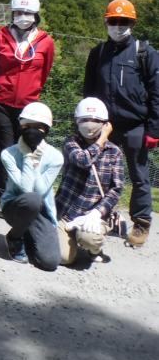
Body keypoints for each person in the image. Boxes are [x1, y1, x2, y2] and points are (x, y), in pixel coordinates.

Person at [83, 0, 158, 247]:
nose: (118, 26)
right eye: (113, 21)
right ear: (106, 23)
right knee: (101, 173)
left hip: (136, 125)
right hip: (106, 126)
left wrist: (154, 129)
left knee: (139, 175)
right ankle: (103, 216)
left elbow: (157, 92)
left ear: (132, 24)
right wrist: (87, 123)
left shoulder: (145, 53)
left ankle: (141, 222)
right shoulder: (98, 54)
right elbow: (89, 91)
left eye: (123, 21)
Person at [0, 0, 55, 198]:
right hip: (0, 102)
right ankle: (3, 195)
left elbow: (44, 73)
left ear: (36, 15)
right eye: (19, 12)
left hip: (28, 107)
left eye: (28, 13)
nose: (23, 16)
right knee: (5, 149)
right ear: (12, 13)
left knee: (27, 148)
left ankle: (23, 193)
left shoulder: (46, 42)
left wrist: (31, 91)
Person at [56, 98, 124, 265]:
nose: (89, 124)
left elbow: (117, 189)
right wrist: (101, 141)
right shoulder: (71, 143)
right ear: (77, 121)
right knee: (63, 258)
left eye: (95, 120)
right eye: (84, 119)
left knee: (90, 238)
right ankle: (70, 240)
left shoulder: (114, 152)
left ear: (104, 123)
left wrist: (97, 212)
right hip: (66, 212)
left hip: (93, 215)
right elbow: (82, 160)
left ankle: (94, 249)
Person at [0, 101, 62, 271]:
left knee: (50, 262)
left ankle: (28, 233)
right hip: (15, 206)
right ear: (21, 126)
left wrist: (37, 158)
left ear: (46, 129)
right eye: (27, 126)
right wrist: (27, 156)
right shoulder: (8, 154)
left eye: (37, 127)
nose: (31, 131)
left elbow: (41, 191)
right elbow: (26, 189)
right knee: (31, 199)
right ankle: (15, 237)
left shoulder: (55, 157)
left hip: (41, 209)